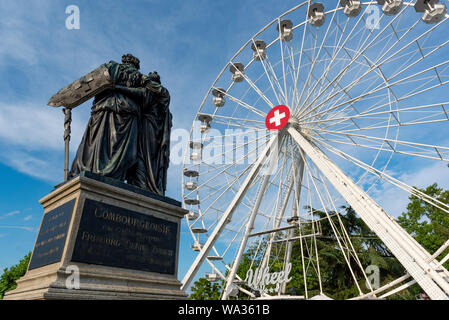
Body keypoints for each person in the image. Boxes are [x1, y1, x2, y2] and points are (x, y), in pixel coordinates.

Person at [68, 54, 144, 182]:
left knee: (98, 141)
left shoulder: (110, 67)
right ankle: (110, 174)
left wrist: (69, 102)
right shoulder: (139, 78)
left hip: (106, 108)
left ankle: (95, 169)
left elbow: (91, 85)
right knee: (123, 150)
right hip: (127, 111)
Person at [113, 71, 172, 195]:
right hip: (145, 126)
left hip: (149, 127)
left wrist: (118, 87)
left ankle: (143, 183)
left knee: (144, 155)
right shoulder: (155, 94)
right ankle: (140, 182)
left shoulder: (161, 93)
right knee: (140, 154)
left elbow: (140, 93)